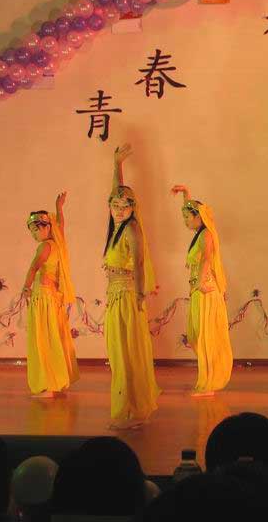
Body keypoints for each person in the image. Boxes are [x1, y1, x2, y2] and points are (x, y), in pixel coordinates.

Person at [103, 143, 160, 429]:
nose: (119, 209)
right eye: (115, 205)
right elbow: (116, 190)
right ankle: (127, 408)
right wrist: (117, 165)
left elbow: (137, 263)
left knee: (128, 353)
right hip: (115, 295)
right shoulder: (117, 227)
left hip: (126, 296)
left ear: (133, 208)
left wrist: (138, 296)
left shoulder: (132, 228)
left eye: (124, 206)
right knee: (118, 353)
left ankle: (132, 410)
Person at [171, 185, 233, 396]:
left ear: (198, 217)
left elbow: (207, 258)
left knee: (206, 337)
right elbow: (193, 208)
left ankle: (208, 383)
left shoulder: (206, 235)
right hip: (198, 290)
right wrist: (185, 194)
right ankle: (207, 379)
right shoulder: (200, 233)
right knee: (196, 335)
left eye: (187, 217)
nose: (185, 221)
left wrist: (200, 282)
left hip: (205, 290)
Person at [21, 192, 79, 397]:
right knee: (53, 337)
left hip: (44, 298)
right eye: (32, 231)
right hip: (51, 297)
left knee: (44, 340)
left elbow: (33, 267)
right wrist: (59, 207)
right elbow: (61, 224)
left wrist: (26, 287)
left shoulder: (45, 246)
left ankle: (49, 384)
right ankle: (56, 381)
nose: (34, 235)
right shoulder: (57, 244)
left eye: (35, 230)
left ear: (45, 227)